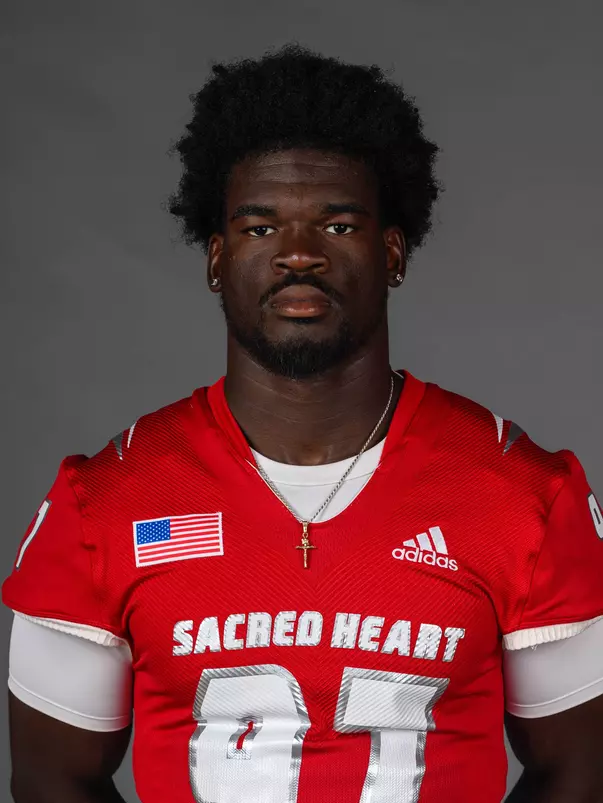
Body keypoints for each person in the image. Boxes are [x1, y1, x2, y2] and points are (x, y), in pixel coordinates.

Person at [4, 44, 603, 803]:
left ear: (392, 252)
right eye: (259, 229)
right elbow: (51, 779)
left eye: (338, 225)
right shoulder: (104, 501)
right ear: (216, 259)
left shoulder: (524, 494)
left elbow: (581, 773)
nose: (297, 255)